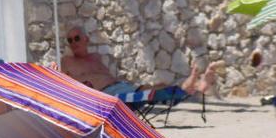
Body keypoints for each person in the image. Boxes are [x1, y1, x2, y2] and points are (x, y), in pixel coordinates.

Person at [60, 26, 222, 97]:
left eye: (77, 38)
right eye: (70, 40)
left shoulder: (96, 57)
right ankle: (190, 88)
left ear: (86, 39)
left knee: (152, 88)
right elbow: (64, 84)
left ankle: (188, 87)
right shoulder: (67, 61)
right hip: (106, 96)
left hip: (119, 87)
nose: (74, 43)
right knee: (147, 94)